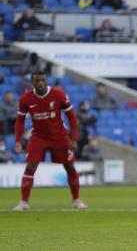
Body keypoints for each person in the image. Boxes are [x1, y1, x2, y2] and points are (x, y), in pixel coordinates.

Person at [12, 70, 87, 211]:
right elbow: (20, 122)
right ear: (32, 82)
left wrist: (74, 139)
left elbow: (72, 118)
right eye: (37, 80)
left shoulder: (58, 95)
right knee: (30, 166)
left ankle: (76, 200)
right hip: (38, 137)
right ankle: (23, 203)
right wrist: (18, 140)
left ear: (47, 80)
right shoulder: (25, 99)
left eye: (42, 80)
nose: (40, 83)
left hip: (60, 136)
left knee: (69, 166)